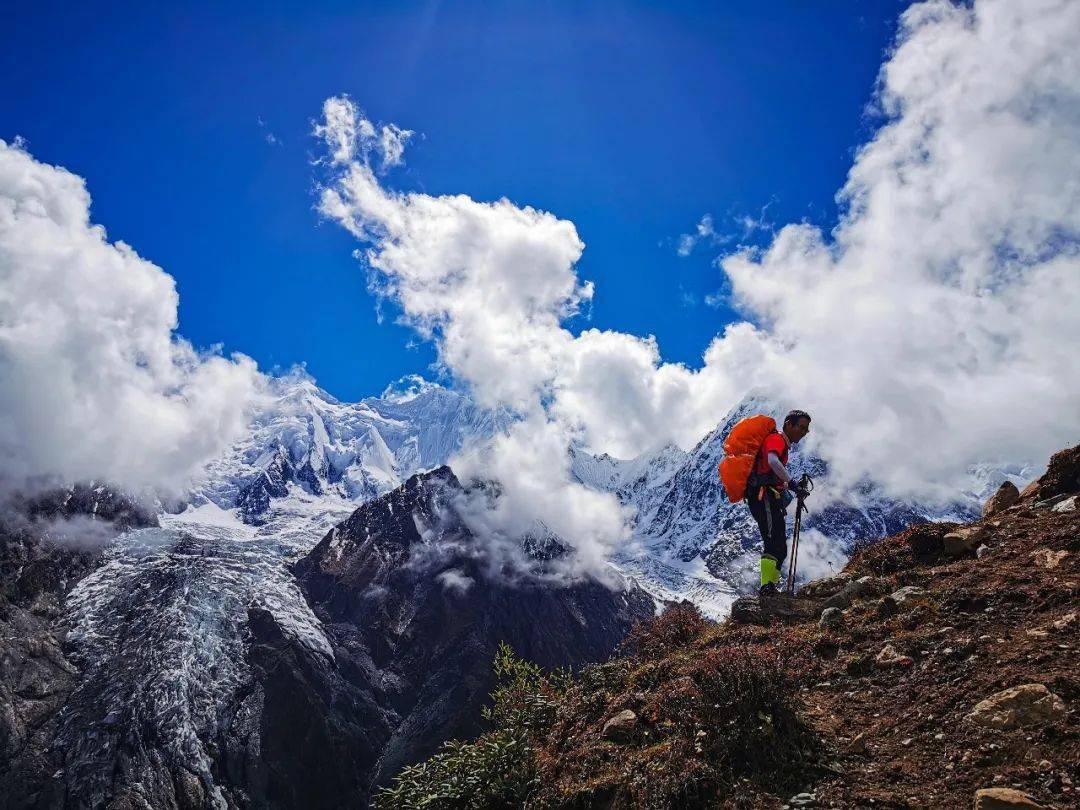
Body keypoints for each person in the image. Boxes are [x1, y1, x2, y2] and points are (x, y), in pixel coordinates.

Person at [746, 409, 811, 596]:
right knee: (773, 541)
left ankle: (771, 587)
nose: (805, 432)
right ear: (788, 424)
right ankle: (767, 587)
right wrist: (791, 483)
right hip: (763, 496)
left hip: (770, 497)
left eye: (806, 429)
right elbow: (772, 461)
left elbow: (772, 469)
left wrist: (790, 486)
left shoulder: (782, 443)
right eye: (801, 427)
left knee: (780, 547)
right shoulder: (776, 440)